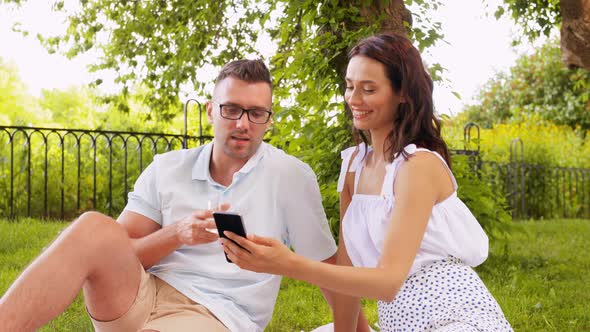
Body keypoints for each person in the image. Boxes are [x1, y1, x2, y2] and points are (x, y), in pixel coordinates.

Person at [0, 59, 371, 332]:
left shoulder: (290, 176)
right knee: (93, 228)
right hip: (140, 296)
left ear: (268, 120)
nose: (243, 123)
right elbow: (118, 254)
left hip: (215, 315)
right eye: (231, 110)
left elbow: (330, 272)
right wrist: (176, 234)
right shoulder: (168, 167)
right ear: (212, 111)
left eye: (256, 113)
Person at [221, 34, 514, 331]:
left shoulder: (418, 166)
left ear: (402, 93)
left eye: (368, 89)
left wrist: (288, 263)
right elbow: (347, 271)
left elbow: (388, 282)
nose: (354, 99)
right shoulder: (353, 166)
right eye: (350, 86)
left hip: (455, 319)